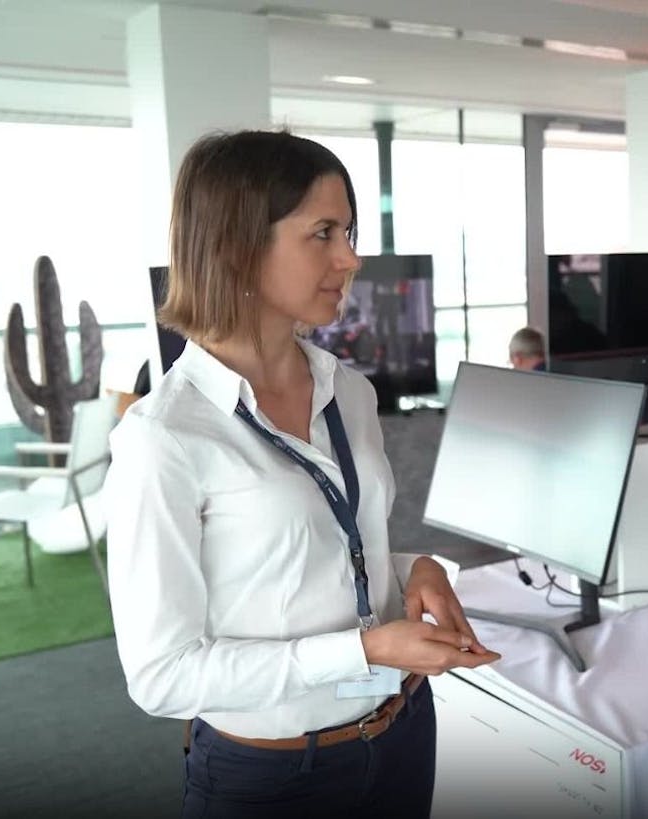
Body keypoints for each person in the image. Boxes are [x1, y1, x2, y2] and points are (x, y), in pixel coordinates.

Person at [104, 130, 500, 819]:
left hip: (404, 726)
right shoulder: (165, 435)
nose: (350, 257)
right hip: (276, 774)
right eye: (323, 232)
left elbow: (317, 553)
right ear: (238, 243)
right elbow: (161, 675)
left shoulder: (349, 391)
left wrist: (412, 569)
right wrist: (365, 648)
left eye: (347, 231)